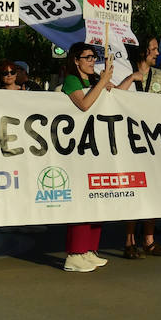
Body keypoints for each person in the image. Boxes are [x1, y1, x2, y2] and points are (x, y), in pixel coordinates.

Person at [61, 41, 114, 273]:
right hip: (78, 148)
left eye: (94, 57)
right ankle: (75, 254)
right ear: (76, 60)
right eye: (87, 57)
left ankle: (90, 250)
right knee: (83, 201)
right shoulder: (72, 81)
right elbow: (83, 105)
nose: (92, 61)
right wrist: (102, 82)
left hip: (97, 147)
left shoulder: (94, 81)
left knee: (97, 200)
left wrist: (125, 80)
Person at [120, 37, 161, 258]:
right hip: (129, 140)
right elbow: (115, 95)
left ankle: (149, 240)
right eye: (153, 49)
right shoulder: (123, 71)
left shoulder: (160, 76)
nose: (157, 53)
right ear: (142, 51)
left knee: (153, 189)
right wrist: (132, 77)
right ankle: (129, 241)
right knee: (134, 188)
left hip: (154, 141)